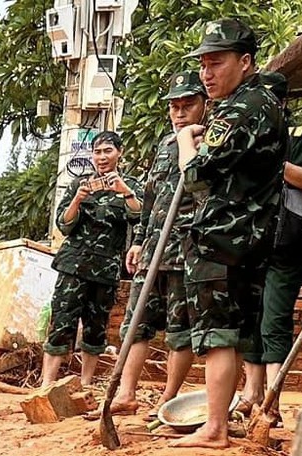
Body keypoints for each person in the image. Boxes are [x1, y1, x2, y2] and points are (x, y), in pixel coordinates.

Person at [174, 17, 287, 449]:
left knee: (216, 333)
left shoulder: (242, 107)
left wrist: (187, 141)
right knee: (234, 332)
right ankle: (221, 419)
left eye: (216, 63)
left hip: (222, 237)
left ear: (245, 61)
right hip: (253, 237)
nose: (207, 74)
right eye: (203, 64)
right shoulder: (268, 103)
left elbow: (199, 176)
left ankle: (214, 427)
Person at [97, 72, 209, 419]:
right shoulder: (165, 145)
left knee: (180, 330)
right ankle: (125, 393)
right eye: (174, 106)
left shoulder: (210, 141)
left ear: (205, 104)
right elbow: (151, 196)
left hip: (186, 251)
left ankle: (168, 399)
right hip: (153, 249)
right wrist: (140, 240)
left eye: (187, 104)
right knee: (135, 323)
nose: (179, 112)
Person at [41, 131, 143, 389]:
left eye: (108, 150)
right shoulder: (79, 184)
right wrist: (78, 199)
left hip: (105, 268)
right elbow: (63, 225)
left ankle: (86, 385)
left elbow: (140, 217)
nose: (102, 157)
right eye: (97, 152)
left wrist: (125, 192)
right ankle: (47, 383)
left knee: (96, 327)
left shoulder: (129, 185)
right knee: (62, 321)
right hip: (73, 266)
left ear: (119, 153)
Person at [254, 80, 302, 423]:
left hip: (287, 243)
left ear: (282, 102)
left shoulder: (301, 135)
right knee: (249, 321)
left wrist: (271, 161)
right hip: (251, 243)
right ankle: (251, 396)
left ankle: (272, 401)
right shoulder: (249, 135)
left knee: (274, 319)